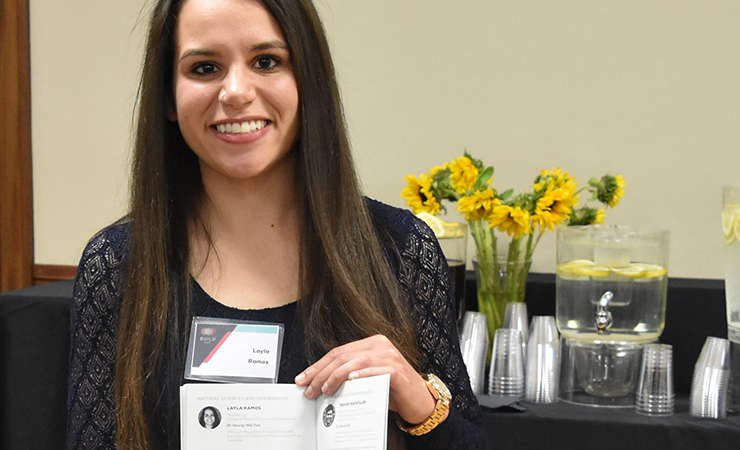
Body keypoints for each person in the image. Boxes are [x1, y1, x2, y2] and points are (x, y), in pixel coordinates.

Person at [66, 0, 486, 449]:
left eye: (267, 62)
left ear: (308, 80)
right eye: (205, 67)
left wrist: (419, 403)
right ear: (169, 96)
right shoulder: (116, 265)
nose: (235, 92)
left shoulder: (401, 250)